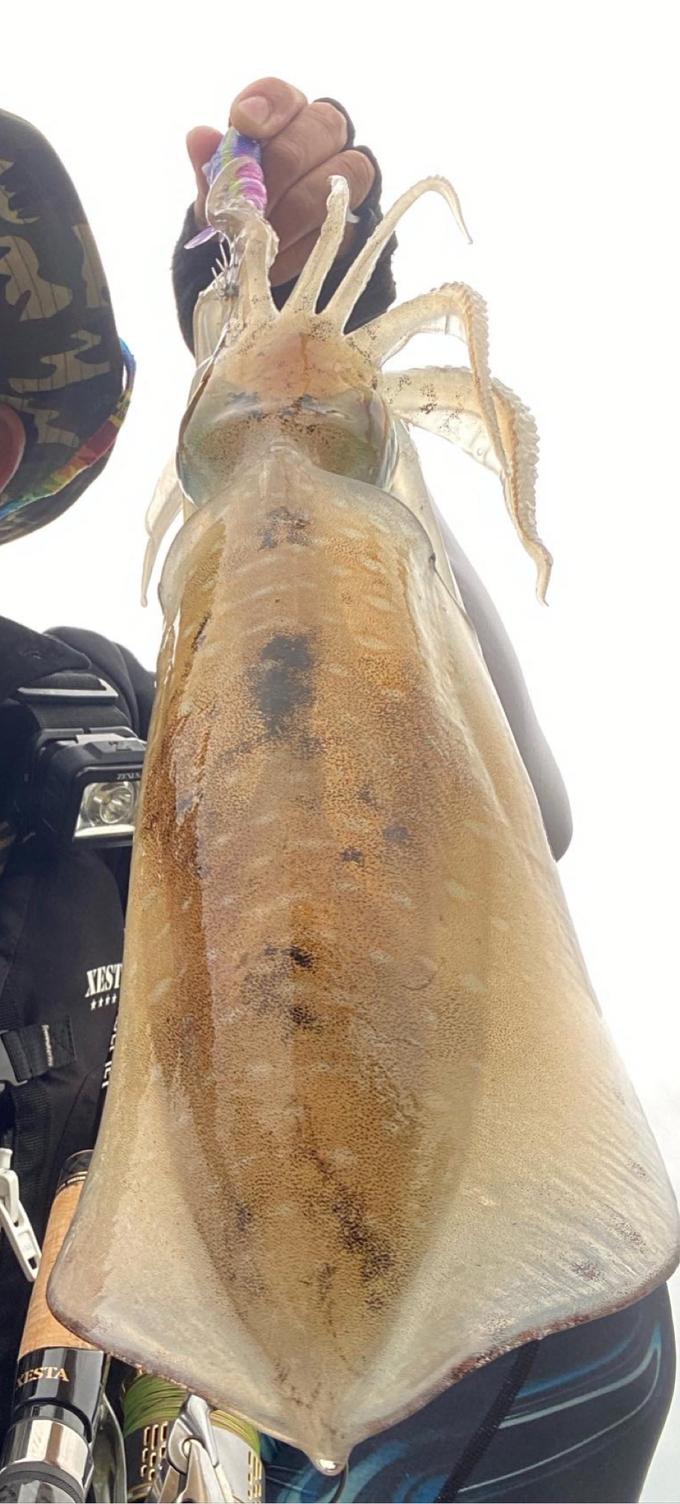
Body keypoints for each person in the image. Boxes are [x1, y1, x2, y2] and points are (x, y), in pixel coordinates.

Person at [0, 79, 674, 1503]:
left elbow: (518, 813)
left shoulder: (99, 712)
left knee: (577, 1347)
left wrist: (333, 431)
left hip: (237, 1408)